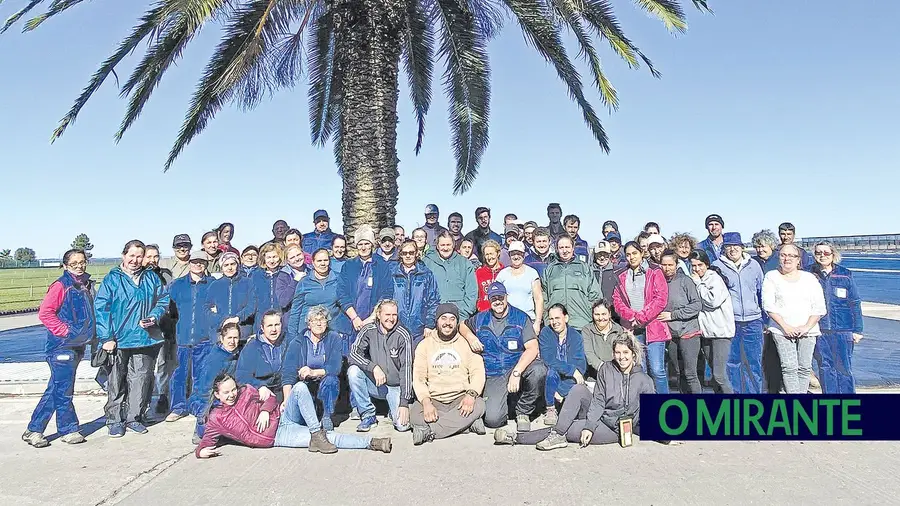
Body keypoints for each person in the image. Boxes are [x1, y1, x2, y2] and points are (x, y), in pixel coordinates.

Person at [493, 332, 655, 449]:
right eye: (617, 353)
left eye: (626, 353)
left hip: (613, 428)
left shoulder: (644, 381)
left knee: (567, 429)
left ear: (633, 355)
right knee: (578, 389)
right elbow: (598, 400)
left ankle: (516, 437)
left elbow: (651, 415)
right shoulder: (607, 368)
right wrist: (590, 426)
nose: (621, 357)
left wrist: (668, 436)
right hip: (599, 415)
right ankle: (558, 434)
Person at [195, 373, 391, 458]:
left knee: (299, 387)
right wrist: (201, 452)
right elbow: (206, 441)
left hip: (283, 417)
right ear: (217, 394)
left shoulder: (246, 390)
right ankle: (371, 442)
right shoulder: (217, 418)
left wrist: (265, 409)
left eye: (233, 389)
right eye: (226, 393)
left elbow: (271, 399)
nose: (232, 394)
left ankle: (316, 433)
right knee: (331, 438)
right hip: (277, 437)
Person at [96, 240, 170, 437]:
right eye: (132, 256)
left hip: (144, 338)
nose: (135, 260)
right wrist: (106, 337)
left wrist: (154, 315)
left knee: (141, 380)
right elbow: (101, 309)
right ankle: (114, 419)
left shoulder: (150, 278)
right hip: (118, 340)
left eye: (139, 256)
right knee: (116, 381)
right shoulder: (112, 279)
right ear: (123, 256)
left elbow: (163, 299)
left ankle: (134, 417)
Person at [23, 249, 95, 448]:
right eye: (74, 264)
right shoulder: (61, 286)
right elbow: (46, 313)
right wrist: (65, 331)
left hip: (77, 344)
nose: (79, 266)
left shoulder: (85, 285)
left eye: (82, 262)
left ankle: (34, 429)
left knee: (56, 387)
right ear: (65, 266)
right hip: (61, 346)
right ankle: (68, 428)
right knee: (63, 390)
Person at [458, 282, 546, 432]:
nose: (497, 301)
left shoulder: (520, 317)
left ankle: (523, 411)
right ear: (489, 300)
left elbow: (532, 348)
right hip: (493, 373)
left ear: (507, 297)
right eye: (493, 298)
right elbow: (462, 325)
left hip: (516, 365)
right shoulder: (480, 318)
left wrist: (517, 372)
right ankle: (508, 404)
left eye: (500, 297)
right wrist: (471, 337)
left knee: (539, 370)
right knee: (493, 420)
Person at [410, 303, 487, 445]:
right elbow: (419, 377)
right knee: (415, 413)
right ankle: (466, 425)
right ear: (437, 321)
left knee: (479, 404)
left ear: (457, 322)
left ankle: (430, 431)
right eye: (443, 318)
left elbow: (478, 371)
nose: (447, 323)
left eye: (452, 319)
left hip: (460, 399)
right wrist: (426, 402)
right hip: (434, 400)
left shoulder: (466, 343)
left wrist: (471, 395)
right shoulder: (424, 345)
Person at [762, 244, 827, 394]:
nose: (787, 259)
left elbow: (819, 306)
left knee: (804, 368)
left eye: (791, 256)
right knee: (789, 367)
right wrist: (786, 327)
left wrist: (806, 327)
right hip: (781, 329)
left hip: (808, 330)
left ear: (798, 260)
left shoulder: (809, 278)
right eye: (783, 255)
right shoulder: (772, 276)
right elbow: (769, 305)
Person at [612, 241, 670, 394]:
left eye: (634, 253)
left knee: (657, 369)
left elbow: (661, 298)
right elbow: (617, 301)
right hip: (632, 328)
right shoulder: (622, 275)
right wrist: (631, 317)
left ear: (642, 253)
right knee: (640, 370)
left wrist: (642, 317)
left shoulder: (655, 271)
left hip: (653, 327)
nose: (632, 257)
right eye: (628, 254)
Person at [347, 300, 414, 432]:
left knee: (402, 425)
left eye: (394, 315)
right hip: (377, 383)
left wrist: (404, 403)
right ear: (378, 314)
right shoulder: (368, 330)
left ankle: (394, 409)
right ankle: (368, 414)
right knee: (353, 371)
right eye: (387, 314)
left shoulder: (403, 334)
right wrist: (373, 367)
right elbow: (353, 354)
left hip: (395, 387)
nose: (391, 318)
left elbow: (407, 369)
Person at [713, 232, 765, 393]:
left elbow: (761, 291)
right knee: (732, 362)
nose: (732, 249)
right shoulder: (716, 266)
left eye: (736, 246)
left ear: (742, 247)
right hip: (730, 321)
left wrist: (765, 319)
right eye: (728, 246)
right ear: (724, 249)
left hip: (753, 321)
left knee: (753, 362)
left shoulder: (754, 265)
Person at [165, 251, 214, 422]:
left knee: (201, 376)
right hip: (182, 338)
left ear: (206, 264)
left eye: (201, 262)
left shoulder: (213, 285)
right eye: (195, 261)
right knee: (178, 375)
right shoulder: (177, 285)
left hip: (205, 338)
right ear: (189, 263)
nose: (198, 265)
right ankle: (178, 407)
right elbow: (168, 310)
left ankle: (198, 407)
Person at [810, 241, 864, 394]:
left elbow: (854, 303)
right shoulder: (809, 274)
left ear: (833, 255)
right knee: (825, 367)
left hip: (843, 329)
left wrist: (858, 330)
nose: (822, 256)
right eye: (818, 253)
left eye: (826, 253)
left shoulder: (845, 274)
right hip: (819, 329)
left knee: (843, 368)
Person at [281, 306, 343, 431]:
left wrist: (313, 372)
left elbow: (335, 367)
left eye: (323, 319)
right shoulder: (297, 342)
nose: (319, 323)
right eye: (314, 320)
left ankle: (326, 416)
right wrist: (287, 399)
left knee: (331, 380)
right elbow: (288, 372)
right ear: (308, 324)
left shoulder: (334, 338)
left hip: (324, 382)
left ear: (327, 322)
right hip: (306, 384)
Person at [289, 249, 352, 354]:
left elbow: (345, 304)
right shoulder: (304, 282)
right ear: (313, 263)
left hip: (332, 331)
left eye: (325, 260)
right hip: (308, 332)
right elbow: (295, 311)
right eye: (319, 261)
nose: (323, 263)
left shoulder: (339, 279)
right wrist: (293, 338)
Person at [690, 249, 735, 394]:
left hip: (721, 332)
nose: (697, 269)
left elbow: (712, 300)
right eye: (694, 266)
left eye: (700, 265)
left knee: (719, 374)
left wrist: (698, 284)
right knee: (714, 374)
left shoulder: (714, 278)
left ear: (707, 264)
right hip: (707, 332)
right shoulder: (697, 279)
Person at [657, 250, 703, 394]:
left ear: (676, 265)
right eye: (664, 265)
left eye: (670, 264)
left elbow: (696, 305)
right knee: (678, 373)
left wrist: (673, 315)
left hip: (689, 332)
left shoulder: (685, 281)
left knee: (690, 374)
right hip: (671, 335)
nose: (667, 268)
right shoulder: (659, 282)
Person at [337, 225, 393, 332]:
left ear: (372, 245)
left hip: (374, 322)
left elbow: (387, 292)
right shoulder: (348, 266)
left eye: (367, 244)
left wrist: (372, 318)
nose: (363, 247)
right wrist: (354, 317)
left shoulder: (382, 265)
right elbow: (341, 293)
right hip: (351, 322)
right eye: (360, 244)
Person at [538, 304, 587, 426]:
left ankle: (563, 401)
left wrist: (561, 390)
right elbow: (549, 359)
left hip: (568, 381)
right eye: (551, 319)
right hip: (551, 377)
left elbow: (580, 366)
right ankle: (550, 408)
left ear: (566, 318)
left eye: (557, 318)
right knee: (551, 372)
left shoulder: (576, 336)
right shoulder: (546, 333)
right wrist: (572, 370)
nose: (554, 322)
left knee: (578, 376)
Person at [193, 320, 242, 442]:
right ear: (222, 338)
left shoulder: (236, 353)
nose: (232, 341)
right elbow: (205, 387)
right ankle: (201, 429)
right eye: (229, 338)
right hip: (212, 396)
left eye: (235, 338)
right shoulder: (215, 358)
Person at [143, 244, 176, 414]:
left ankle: (163, 395)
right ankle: (143, 400)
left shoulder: (165, 275)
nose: (152, 260)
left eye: (155, 256)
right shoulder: (138, 276)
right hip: (144, 328)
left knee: (163, 364)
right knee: (145, 367)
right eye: (149, 256)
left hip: (163, 325)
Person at [542, 235, 600, 330]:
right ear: (557, 249)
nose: (565, 251)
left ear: (573, 248)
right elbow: (544, 296)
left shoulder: (584, 268)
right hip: (555, 323)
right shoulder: (550, 269)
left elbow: (595, 295)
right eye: (561, 247)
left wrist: (588, 311)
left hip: (581, 322)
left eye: (567, 247)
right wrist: (546, 317)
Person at [390, 240, 440, 346]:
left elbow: (433, 301)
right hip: (396, 327)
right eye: (405, 253)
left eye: (411, 252)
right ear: (400, 254)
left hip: (419, 329)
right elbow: (386, 300)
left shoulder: (426, 274)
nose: (408, 256)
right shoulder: (392, 274)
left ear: (416, 253)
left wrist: (429, 325)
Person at [235, 310, 289, 403]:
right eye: (269, 326)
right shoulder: (252, 346)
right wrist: (259, 386)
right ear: (262, 328)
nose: (274, 329)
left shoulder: (287, 342)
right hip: (261, 392)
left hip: (283, 390)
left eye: (277, 325)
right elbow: (241, 376)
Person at [423, 231, 478, 319]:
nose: (445, 248)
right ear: (437, 246)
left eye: (448, 245)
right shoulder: (427, 262)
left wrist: (465, 311)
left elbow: (472, 292)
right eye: (442, 245)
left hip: (460, 314)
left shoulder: (464, 263)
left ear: (453, 245)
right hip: (433, 315)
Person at [205, 251, 256, 344]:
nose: (229, 268)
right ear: (221, 267)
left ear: (238, 265)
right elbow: (207, 308)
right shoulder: (215, 285)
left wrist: (238, 318)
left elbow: (252, 305)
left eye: (232, 264)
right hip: (221, 333)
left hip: (243, 333)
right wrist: (223, 321)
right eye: (226, 265)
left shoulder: (248, 283)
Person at [496, 241, 543, 329]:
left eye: (519, 253)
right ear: (509, 255)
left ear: (524, 254)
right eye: (513, 254)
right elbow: (497, 298)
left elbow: (538, 299)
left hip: (528, 319)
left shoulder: (532, 273)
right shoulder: (502, 274)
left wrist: (537, 323)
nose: (516, 256)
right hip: (508, 320)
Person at [580, 300, 626, 384]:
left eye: (604, 314)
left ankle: (654, 397)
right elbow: (589, 354)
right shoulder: (587, 330)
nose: (601, 318)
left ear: (609, 314)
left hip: (616, 376)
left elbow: (621, 354)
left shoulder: (618, 330)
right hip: (595, 378)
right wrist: (605, 369)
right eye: (597, 314)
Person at [250, 242, 283, 331]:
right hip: (261, 318)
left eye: (275, 257)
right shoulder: (255, 276)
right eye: (269, 257)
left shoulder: (285, 274)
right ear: (264, 258)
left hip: (281, 318)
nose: (272, 261)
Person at [275, 244, 309, 329]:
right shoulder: (283, 276)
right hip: (292, 322)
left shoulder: (311, 271)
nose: (297, 259)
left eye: (298, 255)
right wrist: (295, 281)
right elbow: (283, 301)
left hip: (311, 319)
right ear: (287, 261)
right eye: (292, 257)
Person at [475, 240, 504, 312]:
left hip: (502, 312)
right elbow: (475, 293)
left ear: (498, 253)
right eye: (486, 254)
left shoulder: (505, 272)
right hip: (484, 312)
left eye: (491, 253)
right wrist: (479, 306)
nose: (489, 257)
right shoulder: (479, 273)